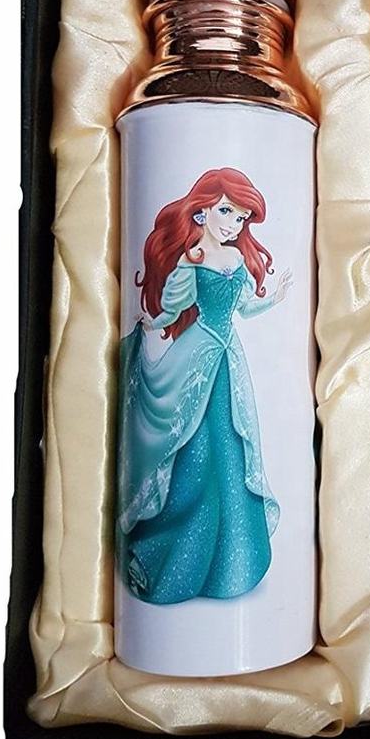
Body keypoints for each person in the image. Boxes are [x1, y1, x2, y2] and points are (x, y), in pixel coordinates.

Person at [116, 167, 292, 604]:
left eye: (240, 218)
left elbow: (244, 308)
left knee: (232, 445)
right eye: (226, 212)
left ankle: (232, 562)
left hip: (228, 358)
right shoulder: (191, 261)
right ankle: (172, 556)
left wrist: (274, 298)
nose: (233, 224)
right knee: (195, 451)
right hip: (198, 356)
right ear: (202, 210)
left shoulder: (235, 260)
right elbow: (172, 309)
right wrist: (150, 324)